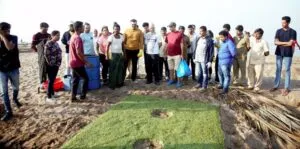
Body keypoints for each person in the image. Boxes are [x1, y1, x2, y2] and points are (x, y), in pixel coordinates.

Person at [270, 16, 297, 96]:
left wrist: (280, 42)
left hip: (288, 53)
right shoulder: (278, 31)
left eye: (284, 23)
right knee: (278, 69)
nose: (282, 24)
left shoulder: (293, 32)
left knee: (287, 70)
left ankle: (286, 88)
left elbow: (290, 43)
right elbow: (275, 42)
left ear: (288, 23)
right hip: (278, 52)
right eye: (282, 22)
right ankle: (276, 86)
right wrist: (286, 43)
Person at [0, 22, 22, 121]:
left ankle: (15, 98)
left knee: (16, 87)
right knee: (4, 92)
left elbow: (9, 47)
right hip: (1, 70)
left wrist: (3, 36)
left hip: (13, 68)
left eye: (9, 29)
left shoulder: (14, 37)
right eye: (5, 29)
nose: (8, 31)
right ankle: (9, 111)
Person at [69, 21, 91, 101]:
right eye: (82, 27)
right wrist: (86, 62)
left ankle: (73, 96)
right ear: (78, 28)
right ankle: (82, 96)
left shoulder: (73, 36)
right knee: (85, 79)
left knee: (75, 80)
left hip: (73, 62)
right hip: (77, 63)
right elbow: (78, 52)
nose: (83, 28)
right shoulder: (78, 38)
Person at [246, 28, 270, 92]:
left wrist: (266, 53)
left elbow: (267, 51)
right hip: (251, 59)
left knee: (259, 75)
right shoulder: (252, 40)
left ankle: (257, 86)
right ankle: (250, 85)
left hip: (259, 61)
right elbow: (248, 47)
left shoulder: (264, 42)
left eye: (257, 34)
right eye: (255, 33)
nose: (256, 35)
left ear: (261, 35)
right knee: (250, 73)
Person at [193, 26, 214, 92]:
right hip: (198, 59)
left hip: (204, 59)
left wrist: (210, 61)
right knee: (199, 72)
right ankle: (199, 83)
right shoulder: (199, 38)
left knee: (205, 73)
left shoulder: (209, 40)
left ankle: (204, 86)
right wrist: (194, 57)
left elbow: (211, 51)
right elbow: (196, 48)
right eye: (200, 31)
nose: (200, 32)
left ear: (205, 31)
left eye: (201, 31)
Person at [31, 22, 51, 93]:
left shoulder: (49, 35)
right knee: (42, 70)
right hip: (41, 56)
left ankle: (48, 85)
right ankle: (42, 85)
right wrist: (38, 52)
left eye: (47, 28)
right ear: (41, 28)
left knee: (49, 70)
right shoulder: (36, 35)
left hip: (49, 56)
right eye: (45, 28)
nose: (46, 29)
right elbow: (32, 46)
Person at [123, 19, 144, 83]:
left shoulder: (140, 31)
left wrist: (141, 50)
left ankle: (133, 78)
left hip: (136, 50)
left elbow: (141, 42)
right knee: (125, 64)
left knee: (134, 65)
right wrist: (123, 50)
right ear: (130, 24)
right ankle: (122, 78)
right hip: (127, 50)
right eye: (132, 24)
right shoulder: (126, 30)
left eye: (134, 24)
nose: (133, 25)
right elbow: (124, 41)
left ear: (136, 24)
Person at [44, 30, 62, 102]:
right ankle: (48, 96)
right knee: (50, 80)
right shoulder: (48, 44)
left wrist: (58, 63)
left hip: (56, 64)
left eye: (59, 35)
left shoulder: (56, 43)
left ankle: (52, 93)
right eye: (57, 35)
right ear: (52, 36)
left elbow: (59, 53)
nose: (58, 37)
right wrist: (50, 63)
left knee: (53, 80)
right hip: (51, 65)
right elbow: (46, 55)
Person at [165, 22, 184, 88]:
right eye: (169, 27)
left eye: (171, 27)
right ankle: (171, 80)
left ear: (174, 26)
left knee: (177, 69)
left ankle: (179, 82)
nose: (170, 28)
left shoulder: (179, 34)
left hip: (177, 55)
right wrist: (165, 53)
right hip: (169, 54)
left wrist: (182, 54)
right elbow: (167, 44)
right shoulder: (168, 34)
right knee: (171, 69)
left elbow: (182, 44)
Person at [217, 30, 237, 95]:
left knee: (226, 76)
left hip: (226, 62)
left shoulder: (229, 43)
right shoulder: (222, 42)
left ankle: (225, 89)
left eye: (222, 37)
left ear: (226, 36)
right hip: (220, 62)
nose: (220, 38)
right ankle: (222, 85)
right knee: (220, 74)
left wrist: (230, 60)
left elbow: (233, 53)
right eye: (220, 37)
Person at [106, 24, 125, 89]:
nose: (116, 30)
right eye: (115, 29)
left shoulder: (121, 37)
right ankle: (112, 84)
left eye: (118, 29)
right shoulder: (111, 37)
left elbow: (123, 46)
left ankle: (119, 83)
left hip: (120, 55)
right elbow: (107, 47)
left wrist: (124, 54)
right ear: (113, 30)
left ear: (119, 30)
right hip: (113, 55)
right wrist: (107, 56)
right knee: (113, 70)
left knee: (120, 69)